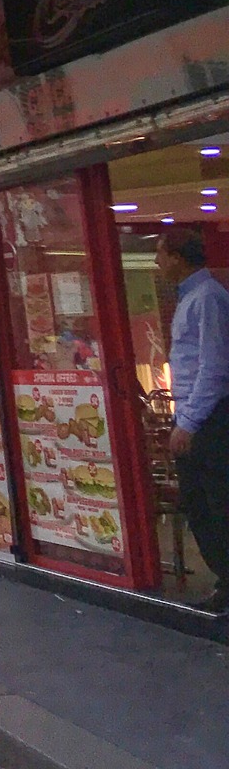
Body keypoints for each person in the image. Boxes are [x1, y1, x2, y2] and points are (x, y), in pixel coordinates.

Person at [162, 229, 229, 614]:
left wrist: (188, 422)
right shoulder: (192, 298)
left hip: (209, 420)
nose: (157, 262)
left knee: (215, 504)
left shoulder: (207, 299)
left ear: (176, 257)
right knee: (199, 504)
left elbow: (214, 367)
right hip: (195, 416)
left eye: (160, 253)